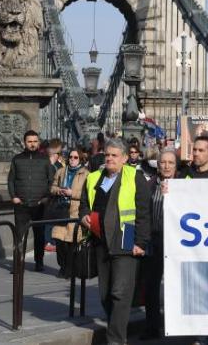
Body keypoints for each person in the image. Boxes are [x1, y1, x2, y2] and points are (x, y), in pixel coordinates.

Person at [79, 138, 150, 345]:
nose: (109, 158)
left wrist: (141, 242)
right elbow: (83, 203)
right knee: (105, 294)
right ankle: (116, 328)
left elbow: (144, 214)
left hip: (126, 237)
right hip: (100, 241)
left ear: (125, 158)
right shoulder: (93, 178)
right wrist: (83, 215)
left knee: (120, 292)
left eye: (114, 155)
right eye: (107, 154)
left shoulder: (135, 177)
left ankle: (116, 340)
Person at [141, 148, 178, 340]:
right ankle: (152, 326)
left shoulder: (183, 185)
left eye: (171, 162)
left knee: (175, 285)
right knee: (151, 285)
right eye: (163, 162)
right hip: (153, 240)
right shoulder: (150, 184)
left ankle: (177, 325)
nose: (166, 166)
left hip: (175, 242)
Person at [8, 130, 56, 272]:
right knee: (19, 236)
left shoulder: (44, 160)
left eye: (35, 141)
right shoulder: (17, 159)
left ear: (38, 142)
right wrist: (13, 196)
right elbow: (11, 180)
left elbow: (51, 180)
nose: (32, 144)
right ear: (25, 142)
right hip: (21, 204)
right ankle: (18, 263)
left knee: (39, 235)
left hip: (39, 204)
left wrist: (46, 198)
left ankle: (39, 262)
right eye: (30, 141)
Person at [50, 149, 89, 278]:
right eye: (70, 157)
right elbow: (52, 187)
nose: (72, 159)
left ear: (81, 159)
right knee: (59, 242)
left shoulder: (86, 174)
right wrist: (59, 191)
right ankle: (63, 266)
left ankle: (69, 270)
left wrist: (73, 194)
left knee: (71, 243)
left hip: (75, 211)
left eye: (75, 157)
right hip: (61, 210)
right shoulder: (61, 171)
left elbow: (87, 195)